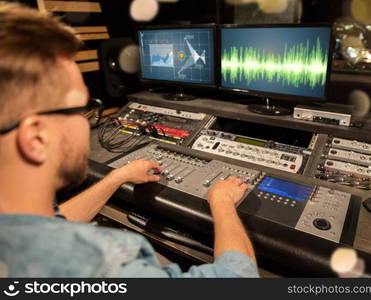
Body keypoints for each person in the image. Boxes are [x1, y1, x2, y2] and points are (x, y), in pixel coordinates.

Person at [0, 2, 258, 277]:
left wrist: (117, 177)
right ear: (36, 138)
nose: (88, 118)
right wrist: (222, 201)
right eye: (80, 107)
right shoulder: (105, 265)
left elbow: (51, 223)